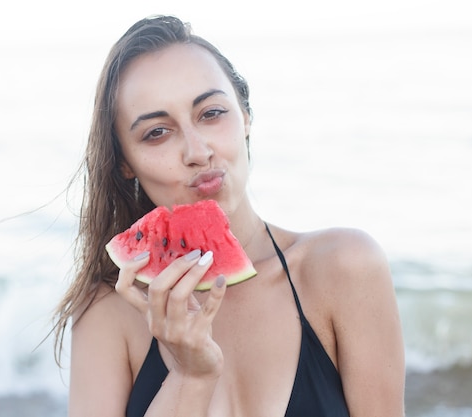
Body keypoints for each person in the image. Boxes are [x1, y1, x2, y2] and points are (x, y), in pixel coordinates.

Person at [53, 15, 405, 417]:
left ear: (245, 116)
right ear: (125, 164)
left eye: (211, 113)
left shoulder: (345, 267)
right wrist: (191, 377)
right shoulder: (106, 316)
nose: (197, 151)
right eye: (156, 133)